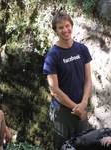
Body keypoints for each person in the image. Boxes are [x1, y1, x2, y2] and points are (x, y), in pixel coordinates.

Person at [43, 11, 92, 149]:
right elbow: (54, 90)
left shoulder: (82, 49)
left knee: (84, 144)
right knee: (63, 147)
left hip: (81, 106)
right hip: (63, 111)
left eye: (67, 25)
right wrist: (76, 108)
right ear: (56, 31)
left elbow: (88, 80)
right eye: (61, 27)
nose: (65, 30)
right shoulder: (52, 56)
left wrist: (83, 103)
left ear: (72, 25)